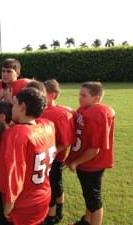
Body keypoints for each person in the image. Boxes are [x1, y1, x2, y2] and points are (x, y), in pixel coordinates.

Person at [0, 87, 57, 225]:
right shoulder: (47, 125)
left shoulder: (17, 134)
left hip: (23, 203)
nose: (12, 108)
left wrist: (8, 206)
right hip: (43, 195)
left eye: (15, 104)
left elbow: (14, 175)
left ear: (22, 107)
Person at [65, 82, 115, 225]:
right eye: (79, 94)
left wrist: (76, 161)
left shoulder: (98, 113)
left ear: (96, 98)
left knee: (94, 198)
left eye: (84, 95)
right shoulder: (83, 109)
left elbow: (95, 149)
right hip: (85, 161)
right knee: (88, 195)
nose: (80, 98)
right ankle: (86, 221)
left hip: (93, 163)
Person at [40, 79, 76, 225]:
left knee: (54, 185)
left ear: (52, 95)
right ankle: (56, 211)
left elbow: (66, 141)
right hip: (44, 156)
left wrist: (51, 152)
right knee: (51, 184)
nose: (40, 95)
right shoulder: (41, 110)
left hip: (53, 157)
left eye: (43, 93)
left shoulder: (60, 113)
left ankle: (54, 214)